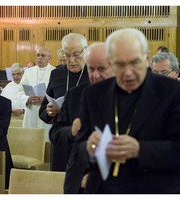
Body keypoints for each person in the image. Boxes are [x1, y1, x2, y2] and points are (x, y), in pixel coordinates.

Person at [68, 28, 180, 194]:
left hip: (155, 189)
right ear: (111, 62)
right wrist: (89, 149)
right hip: (102, 189)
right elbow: (77, 151)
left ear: (147, 59)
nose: (128, 73)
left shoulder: (171, 91)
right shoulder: (94, 93)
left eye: (134, 63)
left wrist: (139, 150)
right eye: (120, 65)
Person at [50, 43, 115, 191]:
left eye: (102, 69)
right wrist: (71, 131)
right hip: (77, 181)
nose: (95, 75)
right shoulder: (74, 94)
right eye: (91, 69)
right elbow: (55, 133)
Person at [39, 33, 90, 171]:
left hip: (85, 140)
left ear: (86, 51)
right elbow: (43, 110)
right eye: (67, 55)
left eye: (76, 54)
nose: (71, 60)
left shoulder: (94, 74)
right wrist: (50, 112)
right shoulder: (57, 74)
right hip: (61, 140)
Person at [20, 46, 55, 141]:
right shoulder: (28, 71)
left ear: (49, 57)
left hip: (46, 111)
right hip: (31, 111)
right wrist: (27, 99)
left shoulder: (54, 72)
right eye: (38, 55)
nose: (40, 58)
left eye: (43, 55)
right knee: (29, 141)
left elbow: (57, 93)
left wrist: (45, 99)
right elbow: (20, 91)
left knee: (45, 142)